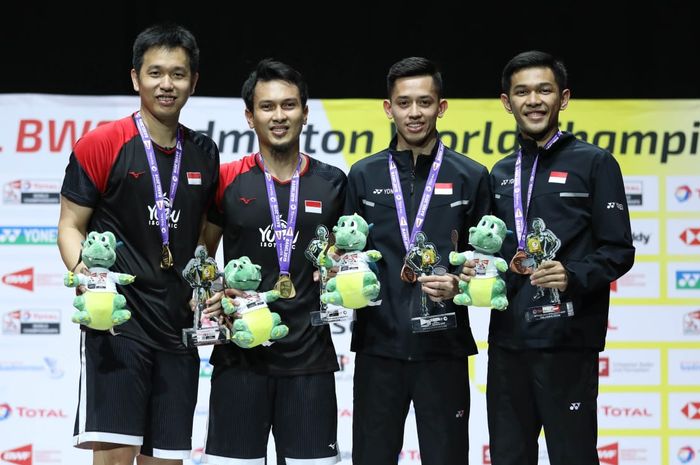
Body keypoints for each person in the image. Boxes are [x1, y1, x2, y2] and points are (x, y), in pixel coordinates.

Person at [57, 23, 219, 464]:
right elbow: (70, 225)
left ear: (194, 82)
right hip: (118, 324)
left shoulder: (205, 153)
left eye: (178, 74)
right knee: (114, 456)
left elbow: (205, 231)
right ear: (135, 78)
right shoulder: (101, 144)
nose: (167, 84)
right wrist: (85, 275)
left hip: (177, 329)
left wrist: (203, 285)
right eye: (155, 73)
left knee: (165, 458)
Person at [483, 50, 635, 465]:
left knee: (573, 456)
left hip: (568, 342)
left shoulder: (596, 163)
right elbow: (490, 252)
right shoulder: (498, 172)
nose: (533, 100)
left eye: (544, 90)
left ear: (563, 98)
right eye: (522, 91)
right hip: (508, 342)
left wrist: (571, 274)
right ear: (506, 101)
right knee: (509, 457)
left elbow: (619, 251)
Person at [344, 57, 492, 465]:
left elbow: (488, 261)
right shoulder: (362, 175)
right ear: (387, 107)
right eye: (403, 102)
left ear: (441, 107)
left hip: (443, 348)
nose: (414, 113)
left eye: (424, 102)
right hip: (379, 348)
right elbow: (345, 255)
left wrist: (461, 285)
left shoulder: (472, 175)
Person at [200, 59, 346, 464]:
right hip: (240, 358)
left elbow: (340, 257)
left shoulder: (333, 182)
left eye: (288, 105)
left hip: (309, 360)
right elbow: (202, 257)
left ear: (305, 112)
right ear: (249, 116)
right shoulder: (226, 179)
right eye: (267, 107)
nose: (278, 116)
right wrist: (210, 296)